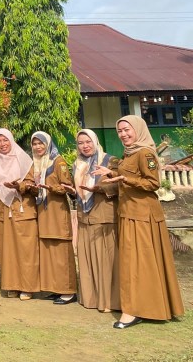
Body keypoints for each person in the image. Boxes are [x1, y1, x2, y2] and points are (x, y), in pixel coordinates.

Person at [93, 115, 185, 329]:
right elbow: (129, 175)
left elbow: (152, 183)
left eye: (127, 130)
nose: (123, 134)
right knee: (135, 262)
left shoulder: (145, 152)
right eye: (120, 131)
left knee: (140, 262)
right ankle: (140, 306)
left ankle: (135, 310)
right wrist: (112, 173)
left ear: (138, 129)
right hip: (128, 213)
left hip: (143, 216)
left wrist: (124, 179)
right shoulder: (130, 153)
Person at [0, 128, 39, 300]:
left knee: (26, 248)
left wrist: (18, 186)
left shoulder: (25, 160)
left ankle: (27, 287)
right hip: (2, 209)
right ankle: (12, 286)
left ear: (11, 140)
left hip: (22, 207)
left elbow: (31, 182)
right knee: (6, 248)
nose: (2, 144)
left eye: (5, 140)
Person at [73, 129, 120, 313]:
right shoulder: (78, 164)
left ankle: (110, 301)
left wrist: (99, 188)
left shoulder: (110, 160)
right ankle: (91, 298)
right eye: (80, 143)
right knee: (87, 259)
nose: (85, 146)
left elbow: (120, 184)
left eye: (88, 142)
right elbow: (78, 189)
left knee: (106, 260)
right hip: (85, 216)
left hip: (104, 216)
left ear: (95, 141)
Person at [31, 131, 78, 304]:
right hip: (43, 211)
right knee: (48, 250)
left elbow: (67, 187)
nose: (37, 147)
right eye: (35, 144)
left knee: (61, 250)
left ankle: (68, 290)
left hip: (57, 211)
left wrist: (50, 187)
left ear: (48, 144)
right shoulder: (36, 164)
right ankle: (55, 288)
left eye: (41, 143)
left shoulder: (58, 162)